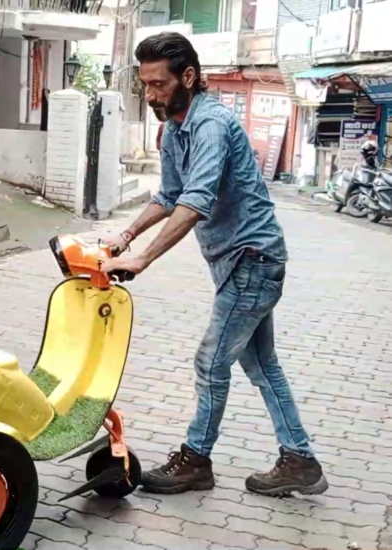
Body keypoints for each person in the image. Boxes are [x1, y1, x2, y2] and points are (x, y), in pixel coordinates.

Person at [100, 32, 328, 498]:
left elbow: (196, 202)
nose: (151, 94)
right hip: (238, 263)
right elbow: (167, 195)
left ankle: (195, 460)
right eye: (145, 84)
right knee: (262, 367)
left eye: (159, 84)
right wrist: (125, 236)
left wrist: (142, 258)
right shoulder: (174, 131)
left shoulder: (211, 125)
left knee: (210, 362)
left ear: (188, 77)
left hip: (252, 260)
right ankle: (300, 460)